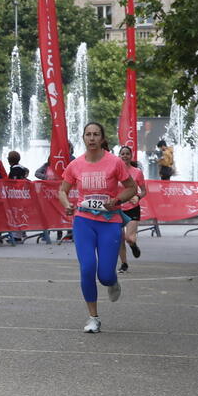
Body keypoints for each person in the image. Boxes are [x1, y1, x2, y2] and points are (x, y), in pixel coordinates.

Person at [59, 122, 137, 334]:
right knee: (87, 268)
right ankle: (93, 317)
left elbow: (132, 188)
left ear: (102, 139)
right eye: (88, 135)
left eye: (96, 135)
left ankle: (112, 281)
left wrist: (117, 199)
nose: (92, 138)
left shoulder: (115, 163)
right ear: (83, 138)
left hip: (109, 223)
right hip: (84, 221)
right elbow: (62, 191)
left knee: (105, 275)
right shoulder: (75, 165)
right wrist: (67, 205)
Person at [116, 144, 147, 272]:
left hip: (132, 208)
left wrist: (138, 197)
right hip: (117, 208)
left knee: (129, 238)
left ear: (131, 156)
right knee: (119, 239)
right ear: (119, 156)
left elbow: (144, 191)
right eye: (122, 154)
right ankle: (124, 264)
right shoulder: (115, 171)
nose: (125, 156)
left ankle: (134, 245)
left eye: (127, 154)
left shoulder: (137, 172)